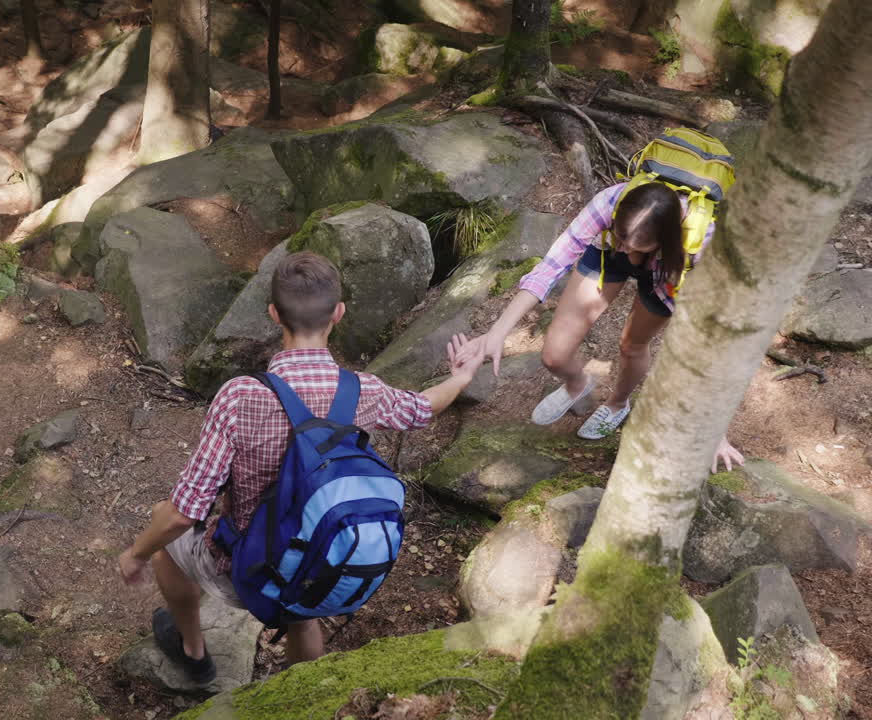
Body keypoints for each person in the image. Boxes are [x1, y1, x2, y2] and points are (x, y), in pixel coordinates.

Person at [117, 251, 482, 684]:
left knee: (166, 549)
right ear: (339, 314)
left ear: (274, 313)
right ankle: (300, 691)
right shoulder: (364, 390)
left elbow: (183, 514)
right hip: (325, 561)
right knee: (304, 618)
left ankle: (194, 653)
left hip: (245, 569)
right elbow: (422, 409)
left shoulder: (240, 397)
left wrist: (135, 552)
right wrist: (460, 378)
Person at [460, 181, 743, 471]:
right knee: (554, 354)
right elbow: (551, 266)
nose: (626, 250)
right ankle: (577, 384)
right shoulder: (610, 202)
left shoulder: (702, 244)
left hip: (668, 269)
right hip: (605, 250)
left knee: (632, 346)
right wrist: (497, 332)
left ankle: (618, 403)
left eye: (636, 247)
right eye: (623, 237)